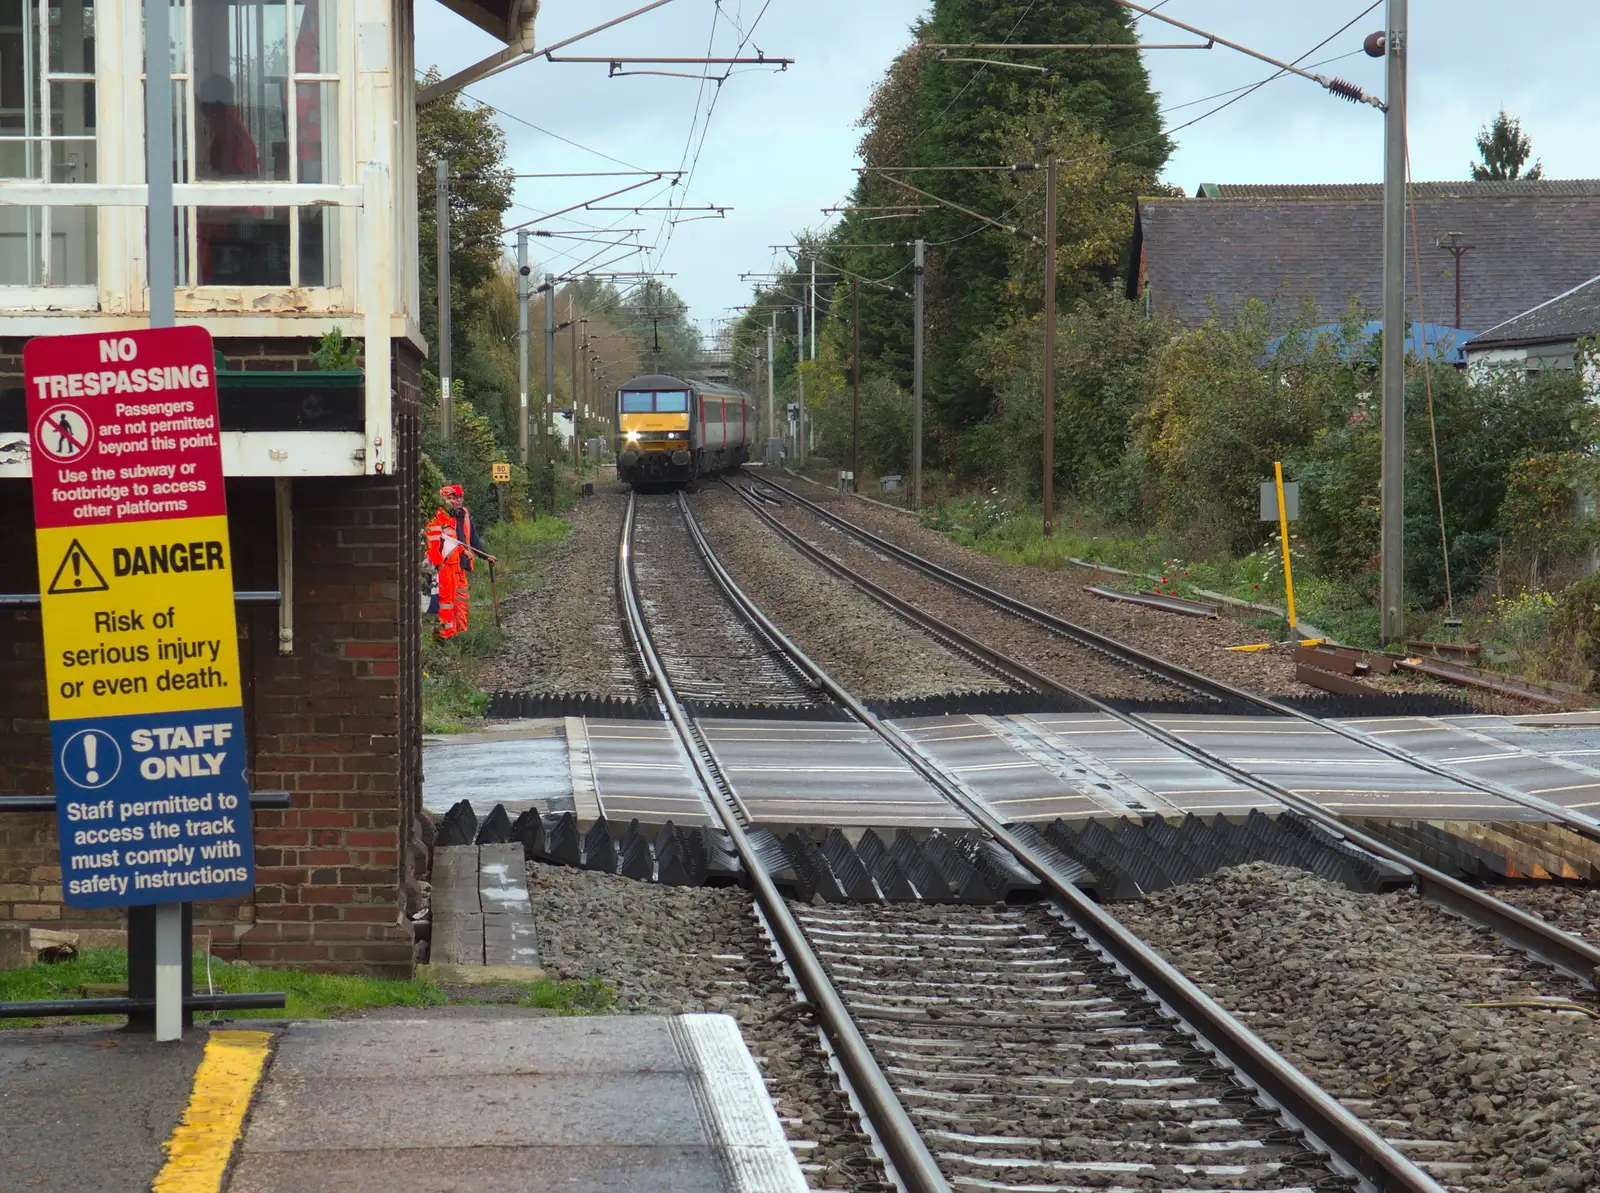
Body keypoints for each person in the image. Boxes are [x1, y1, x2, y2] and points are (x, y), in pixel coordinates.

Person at [425, 484, 494, 640]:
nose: (455, 501)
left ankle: (458, 633)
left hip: (456, 565)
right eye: (450, 498)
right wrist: (439, 564)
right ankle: (445, 636)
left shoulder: (458, 516)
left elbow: (460, 540)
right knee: (445, 603)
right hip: (445, 567)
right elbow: (433, 544)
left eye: (457, 497)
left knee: (458, 601)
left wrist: (480, 554)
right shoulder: (439, 517)